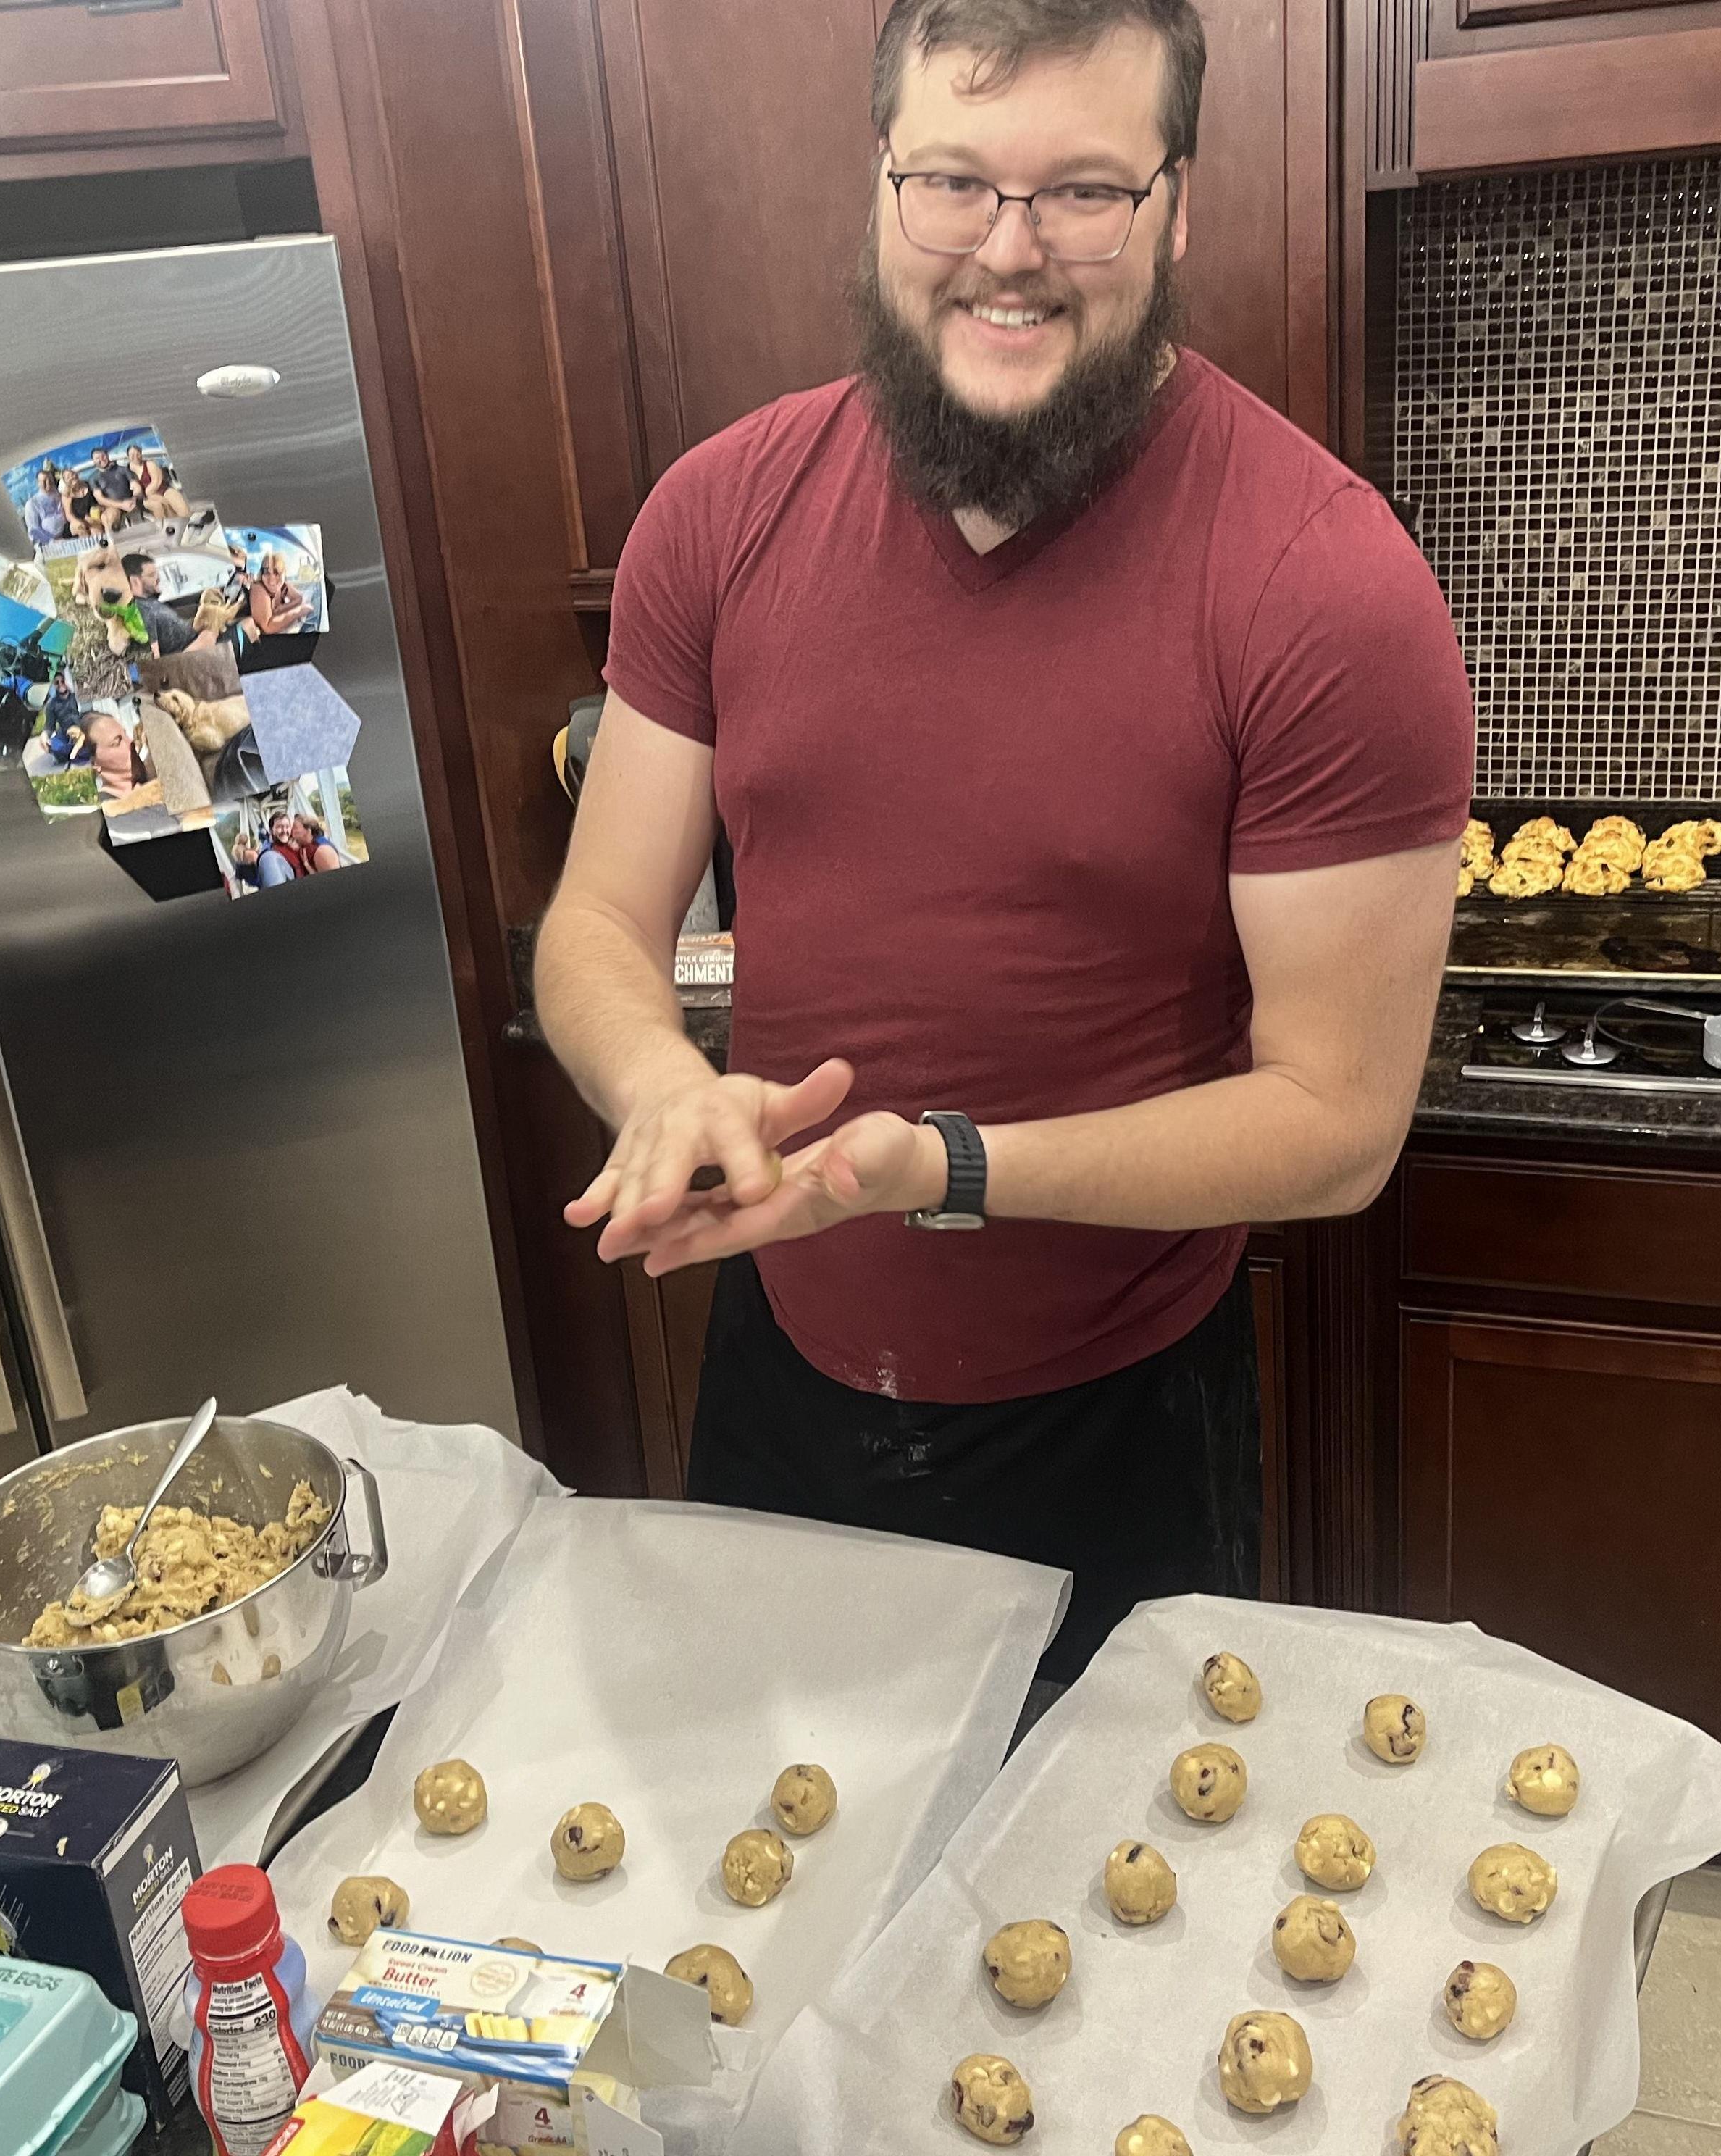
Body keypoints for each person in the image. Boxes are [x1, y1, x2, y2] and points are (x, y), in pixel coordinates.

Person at [534, 0, 1475, 1682]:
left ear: (1171, 208)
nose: (1007, 250)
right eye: (953, 181)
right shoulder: (717, 514)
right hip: (774, 1357)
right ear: (879, 181)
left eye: (1082, 192)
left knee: (1097, 1851)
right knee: (771, 1831)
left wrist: (945, 1171)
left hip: (1115, 1417)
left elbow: (1334, 1126)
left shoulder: (1322, 585)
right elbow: (599, 919)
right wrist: (660, 1084)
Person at [123, 554, 218, 657]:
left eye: (156, 573)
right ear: (135, 582)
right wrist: (208, 636)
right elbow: (161, 661)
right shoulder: (142, 612)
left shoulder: (150, 602)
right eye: (152, 575)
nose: (158, 578)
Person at [248, 551, 313, 637]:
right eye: (266, 572)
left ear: (284, 573)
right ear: (261, 573)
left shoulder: (283, 587)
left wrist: (281, 609)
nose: (271, 580)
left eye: (277, 573)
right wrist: (297, 612)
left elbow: (299, 599)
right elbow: (267, 628)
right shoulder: (259, 590)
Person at [128, 443, 188, 520]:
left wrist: (148, 491)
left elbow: (157, 481)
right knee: (161, 505)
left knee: (182, 508)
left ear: (141, 453)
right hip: (146, 497)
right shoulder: (127, 470)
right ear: (128, 456)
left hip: (163, 490)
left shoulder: (149, 464)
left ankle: (188, 520)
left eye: (138, 454)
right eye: (132, 455)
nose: (135, 456)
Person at [88, 445, 143, 528]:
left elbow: (136, 486)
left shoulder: (123, 469)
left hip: (131, 502)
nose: (101, 459)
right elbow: (101, 500)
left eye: (103, 456)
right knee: (108, 518)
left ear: (107, 455)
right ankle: (112, 536)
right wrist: (121, 505)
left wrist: (134, 499)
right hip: (112, 507)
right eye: (97, 458)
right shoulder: (93, 478)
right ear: (94, 461)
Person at [255, 811, 310, 887]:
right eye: (279, 827)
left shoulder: (294, 849)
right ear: (271, 830)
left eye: (287, 827)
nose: (284, 831)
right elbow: (277, 891)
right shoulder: (270, 857)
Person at [23, 467, 70, 547]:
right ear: (38, 483)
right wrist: (52, 541)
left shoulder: (60, 496)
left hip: (67, 535)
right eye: (44, 481)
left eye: (50, 480)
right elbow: (34, 530)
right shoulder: (32, 503)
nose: (48, 483)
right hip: (48, 544)